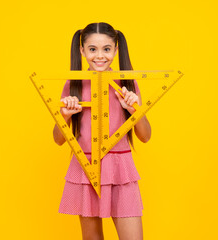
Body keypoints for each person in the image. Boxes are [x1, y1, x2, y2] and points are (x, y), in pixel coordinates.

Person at [53, 22, 151, 240]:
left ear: (116, 50)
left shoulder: (127, 83)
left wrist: (134, 110)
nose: (100, 56)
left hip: (120, 168)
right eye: (92, 49)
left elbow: (145, 136)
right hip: (85, 167)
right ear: (82, 50)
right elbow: (58, 139)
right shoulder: (73, 84)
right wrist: (66, 115)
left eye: (106, 49)